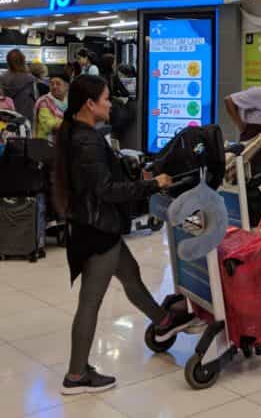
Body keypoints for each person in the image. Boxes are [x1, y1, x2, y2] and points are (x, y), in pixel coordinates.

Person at [52, 75, 182, 395]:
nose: (111, 104)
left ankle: (163, 321)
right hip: (97, 229)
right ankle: (76, 375)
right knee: (90, 301)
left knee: (131, 275)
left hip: (93, 225)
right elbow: (106, 190)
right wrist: (153, 184)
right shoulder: (86, 141)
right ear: (89, 104)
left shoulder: (77, 135)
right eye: (107, 98)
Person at [225, 73, 261, 171]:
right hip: (255, 137)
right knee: (252, 172)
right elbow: (229, 100)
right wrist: (240, 125)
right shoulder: (260, 92)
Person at [0, 49, 38, 124]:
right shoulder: (31, 80)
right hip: (24, 121)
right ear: (23, 61)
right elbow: (36, 101)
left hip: (3, 120)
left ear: (8, 62)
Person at [34, 73, 70, 141]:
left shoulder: (72, 100)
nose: (54, 87)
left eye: (58, 84)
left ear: (67, 86)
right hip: (47, 143)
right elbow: (49, 124)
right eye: (52, 84)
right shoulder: (44, 102)